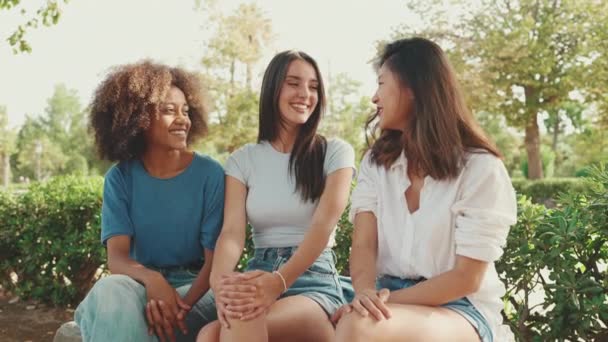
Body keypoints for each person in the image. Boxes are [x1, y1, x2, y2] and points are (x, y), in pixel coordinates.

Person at [332, 37, 517, 342]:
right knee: (324, 314)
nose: (374, 98)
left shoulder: (481, 168)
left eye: (381, 84)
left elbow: (466, 278)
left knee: (357, 326)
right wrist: (365, 294)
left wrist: (375, 304)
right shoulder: (376, 164)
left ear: (414, 89)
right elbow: (364, 245)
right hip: (385, 293)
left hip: (459, 307)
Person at [197, 50, 355, 342]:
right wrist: (220, 285)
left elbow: (323, 227)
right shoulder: (242, 160)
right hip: (258, 271)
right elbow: (232, 233)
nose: (305, 94)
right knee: (208, 335)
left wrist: (279, 281)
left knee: (239, 323)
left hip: (313, 280)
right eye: (293, 83)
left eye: (313, 86)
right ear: (273, 88)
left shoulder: (335, 153)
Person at [75, 61, 223, 342]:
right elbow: (117, 258)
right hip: (140, 287)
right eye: (169, 110)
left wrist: (178, 307)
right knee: (109, 292)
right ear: (138, 119)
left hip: (198, 291)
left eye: (186, 111)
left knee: (129, 322)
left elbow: (214, 264)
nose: (183, 120)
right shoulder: (120, 178)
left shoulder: (210, 174)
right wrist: (153, 281)